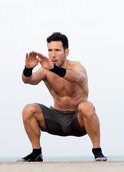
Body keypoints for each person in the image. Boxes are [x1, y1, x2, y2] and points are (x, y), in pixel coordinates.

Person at [20, 32, 107, 162]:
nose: (53, 54)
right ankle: (36, 153)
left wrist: (54, 69)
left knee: (87, 106)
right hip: (56, 119)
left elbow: (78, 77)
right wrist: (27, 69)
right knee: (28, 109)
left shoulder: (76, 66)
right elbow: (29, 80)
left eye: (57, 50)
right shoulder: (45, 70)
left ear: (66, 52)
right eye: (50, 50)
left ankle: (97, 151)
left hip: (78, 120)